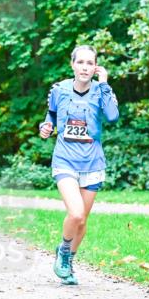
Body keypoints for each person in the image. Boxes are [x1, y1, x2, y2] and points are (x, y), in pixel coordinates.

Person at [38, 45, 119, 285]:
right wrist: (46, 126)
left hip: (93, 162)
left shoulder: (101, 91)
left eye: (90, 63)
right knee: (75, 213)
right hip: (65, 159)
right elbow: (51, 115)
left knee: (82, 220)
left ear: (96, 67)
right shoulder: (58, 90)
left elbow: (113, 116)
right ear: (72, 64)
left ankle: (68, 260)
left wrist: (104, 83)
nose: (85, 67)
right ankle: (63, 251)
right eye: (80, 62)